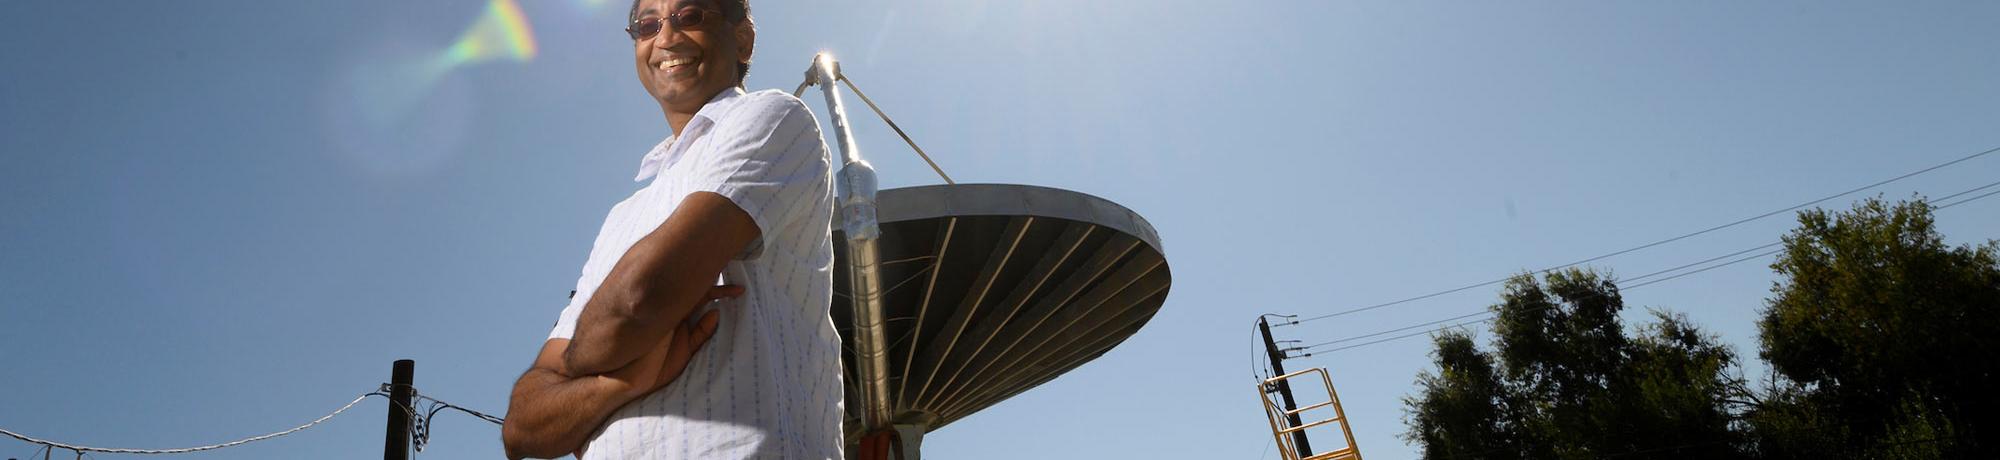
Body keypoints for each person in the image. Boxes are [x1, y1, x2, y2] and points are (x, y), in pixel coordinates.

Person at [499, 0, 842, 458]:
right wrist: (623, 380)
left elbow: (640, 297)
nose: (665, 38)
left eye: (690, 16)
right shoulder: (623, 216)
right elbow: (522, 429)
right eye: (647, 25)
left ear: (742, 39)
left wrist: (584, 358)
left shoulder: (773, 118)